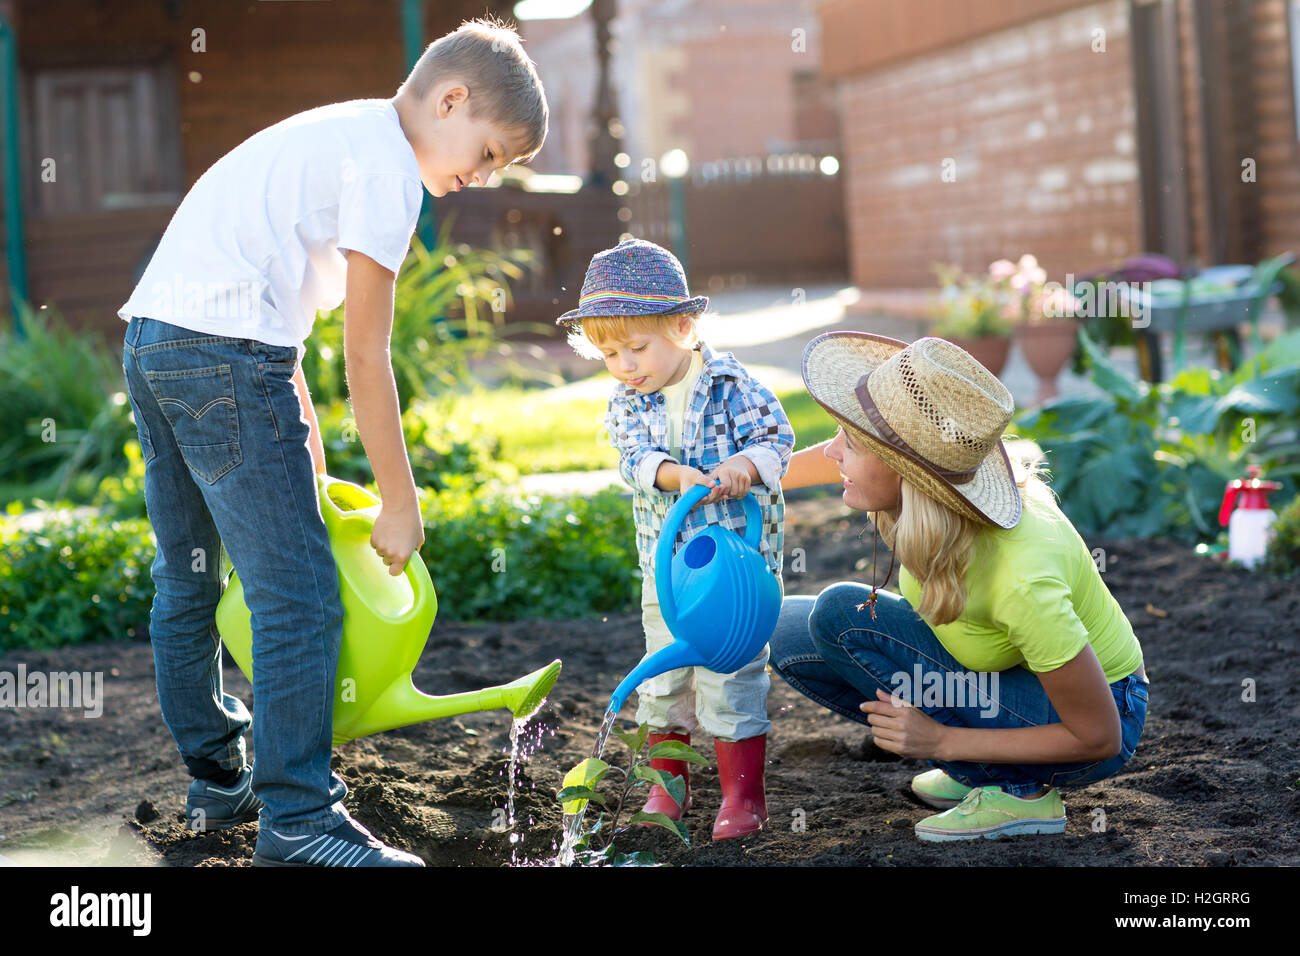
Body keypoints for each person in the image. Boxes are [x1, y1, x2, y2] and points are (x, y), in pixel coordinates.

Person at [118, 17, 547, 867]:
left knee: (189, 578)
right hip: (223, 359)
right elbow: (365, 351)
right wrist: (400, 500)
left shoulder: (343, 130)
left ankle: (218, 778)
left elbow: (278, 309)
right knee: (299, 596)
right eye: (490, 151)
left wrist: (303, 432)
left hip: (156, 340)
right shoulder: (391, 172)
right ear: (451, 98)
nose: (482, 175)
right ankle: (300, 821)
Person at [771, 331, 1149, 842]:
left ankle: (1016, 792)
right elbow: (835, 460)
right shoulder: (948, 505)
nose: (833, 450)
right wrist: (755, 473)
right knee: (785, 628)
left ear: (908, 474)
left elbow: (1098, 736)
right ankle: (984, 756)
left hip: (1096, 717)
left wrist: (943, 740)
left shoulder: (1019, 577)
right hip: (1013, 681)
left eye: (852, 441)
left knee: (839, 613)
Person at [558, 238, 795, 839]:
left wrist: (748, 463)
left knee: (732, 679)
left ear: (685, 326)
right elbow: (633, 458)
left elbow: (777, 438)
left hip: (736, 580)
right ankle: (669, 787)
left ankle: (744, 799)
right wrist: (674, 475)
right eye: (608, 353)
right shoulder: (626, 401)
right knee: (663, 681)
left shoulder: (732, 384)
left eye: (636, 347)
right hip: (665, 576)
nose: (625, 365)